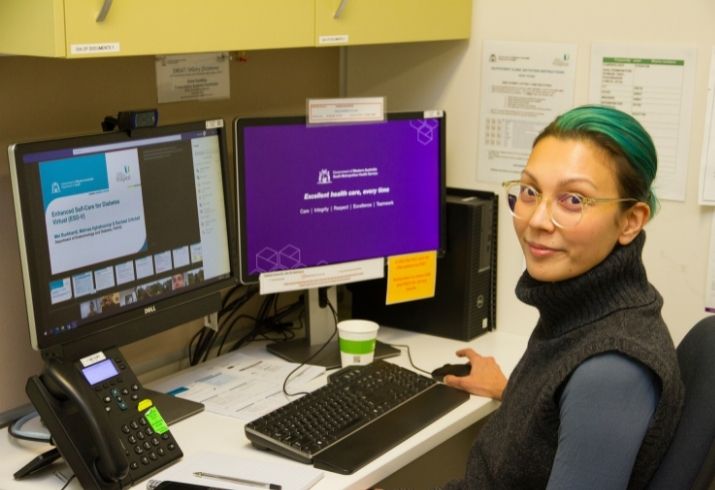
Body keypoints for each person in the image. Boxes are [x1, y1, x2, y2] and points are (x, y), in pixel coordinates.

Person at [442, 105, 684, 489]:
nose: (537, 220)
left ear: (630, 221)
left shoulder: (611, 370)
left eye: (573, 200)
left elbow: (598, 394)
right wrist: (516, 393)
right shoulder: (586, 311)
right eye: (530, 191)